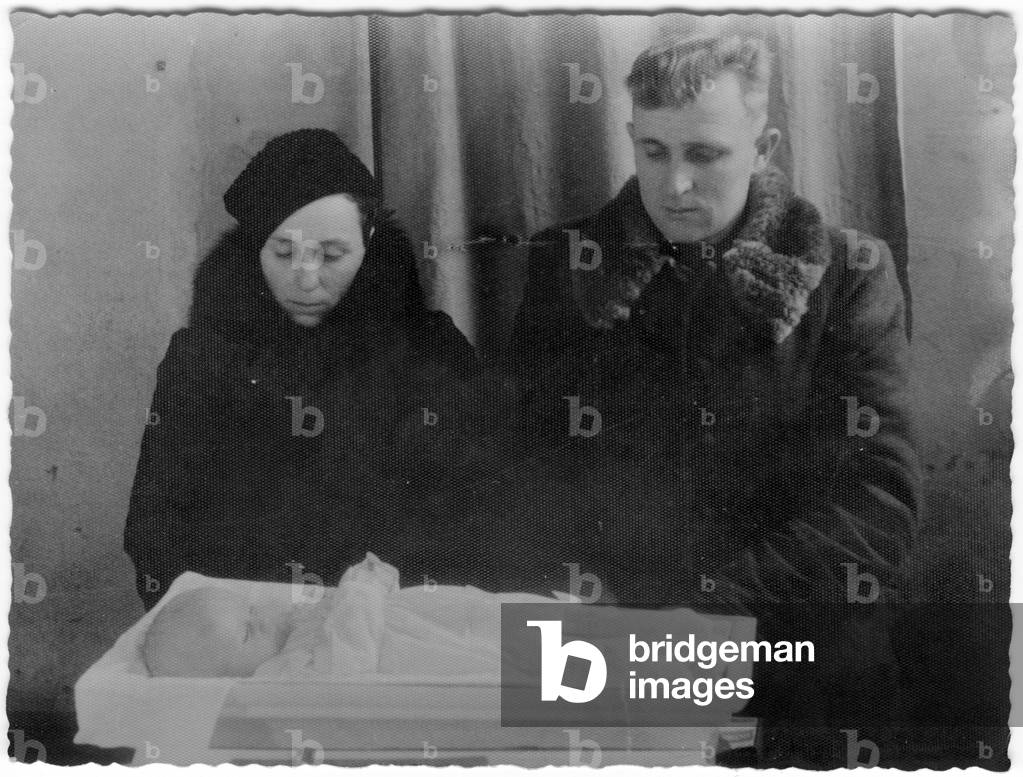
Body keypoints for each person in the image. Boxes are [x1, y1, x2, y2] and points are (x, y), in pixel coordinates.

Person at [504, 35, 923, 761]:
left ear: (763, 148)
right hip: (608, 640)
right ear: (631, 139)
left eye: (704, 154)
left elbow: (879, 502)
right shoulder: (564, 263)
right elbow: (521, 466)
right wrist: (592, 602)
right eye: (654, 152)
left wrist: (706, 615)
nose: (673, 187)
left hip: (795, 649)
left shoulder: (847, 272)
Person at [124, 129, 499, 611]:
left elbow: (479, 507)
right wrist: (207, 622)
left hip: (392, 626)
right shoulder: (203, 357)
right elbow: (157, 520)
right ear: (254, 249)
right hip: (247, 625)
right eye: (283, 252)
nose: (304, 277)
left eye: (331, 254)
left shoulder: (433, 349)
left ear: (369, 243)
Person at [142, 554, 551, 678]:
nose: (263, 617)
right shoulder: (281, 675)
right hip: (419, 650)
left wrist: (364, 591)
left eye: (250, 609)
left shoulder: (296, 621)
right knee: (497, 658)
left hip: (427, 615)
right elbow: (348, 660)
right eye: (247, 633)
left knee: (491, 610)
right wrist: (360, 590)